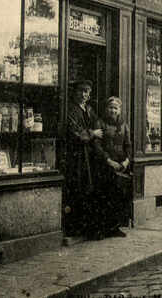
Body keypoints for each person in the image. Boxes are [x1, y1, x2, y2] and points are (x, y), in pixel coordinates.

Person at [64, 79, 102, 239]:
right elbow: (76, 133)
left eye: (86, 91)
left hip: (89, 155)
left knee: (89, 188)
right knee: (78, 187)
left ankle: (88, 227)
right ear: (75, 92)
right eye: (81, 90)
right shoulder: (71, 110)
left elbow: (98, 126)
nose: (83, 94)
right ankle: (75, 228)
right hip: (77, 156)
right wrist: (92, 133)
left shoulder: (89, 110)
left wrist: (94, 132)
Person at [90, 96, 132, 238]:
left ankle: (114, 227)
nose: (113, 110)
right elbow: (97, 145)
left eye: (115, 108)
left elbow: (128, 145)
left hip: (120, 166)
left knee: (117, 197)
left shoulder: (124, 125)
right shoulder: (100, 123)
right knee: (103, 197)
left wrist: (126, 160)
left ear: (119, 110)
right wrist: (108, 160)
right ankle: (101, 229)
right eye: (110, 107)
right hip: (104, 165)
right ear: (106, 109)